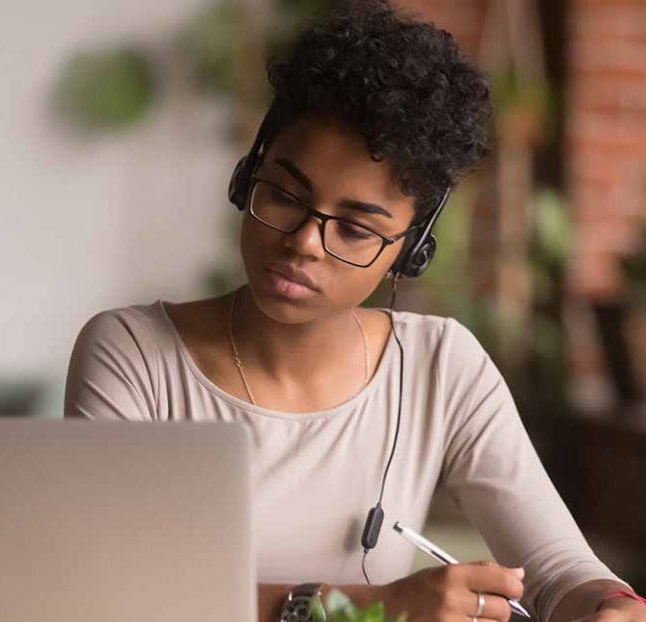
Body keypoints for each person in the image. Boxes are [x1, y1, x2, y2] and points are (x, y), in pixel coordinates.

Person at [64, 2, 645, 621]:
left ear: (410, 250)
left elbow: (560, 571)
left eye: (354, 229)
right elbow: (106, 589)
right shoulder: (133, 355)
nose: (304, 243)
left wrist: (612, 603)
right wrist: (370, 606)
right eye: (285, 195)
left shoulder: (441, 368)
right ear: (246, 177)